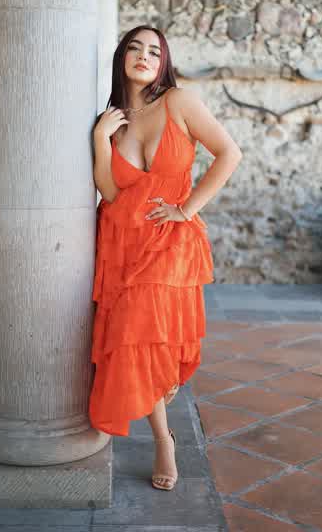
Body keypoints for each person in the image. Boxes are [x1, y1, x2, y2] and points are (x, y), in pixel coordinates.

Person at [89, 25, 242, 491]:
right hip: (122, 243)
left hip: (170, 242)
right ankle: (164, 438)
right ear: (121, 58)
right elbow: (110, 192)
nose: (144, 56)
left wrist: (186, 209)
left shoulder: (179, 102)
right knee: (138, 340)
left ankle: (162, 413)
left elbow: (229, 153)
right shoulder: (113, 120)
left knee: (146, 336)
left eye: (155, 51)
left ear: (164, 63)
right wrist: (99, 139)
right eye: (135, 48)